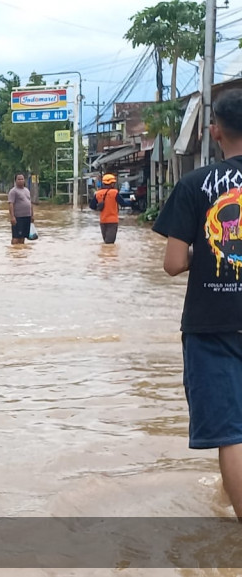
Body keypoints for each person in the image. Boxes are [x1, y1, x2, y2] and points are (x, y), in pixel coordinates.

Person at [153, 88, 242, 519]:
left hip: (212, 322)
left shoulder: (193, 185)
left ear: (215, 130)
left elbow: (172, 264)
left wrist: (205, 254)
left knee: (232, 433)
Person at [94, 173, 130, 244]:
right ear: (112, 183)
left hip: (103, 221)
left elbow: (92, 206)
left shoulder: (98, 193)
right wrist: (132, 202)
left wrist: (99, 207)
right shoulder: (114, 193)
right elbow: (123, 203)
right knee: (110, 244)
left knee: (106, 243)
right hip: (112, 221)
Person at [7, 174, 33, 245]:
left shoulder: (27, 190)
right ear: (15, 181)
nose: (21, 181)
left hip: (27, 216)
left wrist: (32, 215)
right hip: (18, 217)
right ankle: (14, 251)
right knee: (16, 237)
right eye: (19, 179)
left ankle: (21, 252)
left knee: (23, 237)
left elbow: (30, 203)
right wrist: (12, 217)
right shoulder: (13, 191)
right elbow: (11, 204)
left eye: (22, 179)